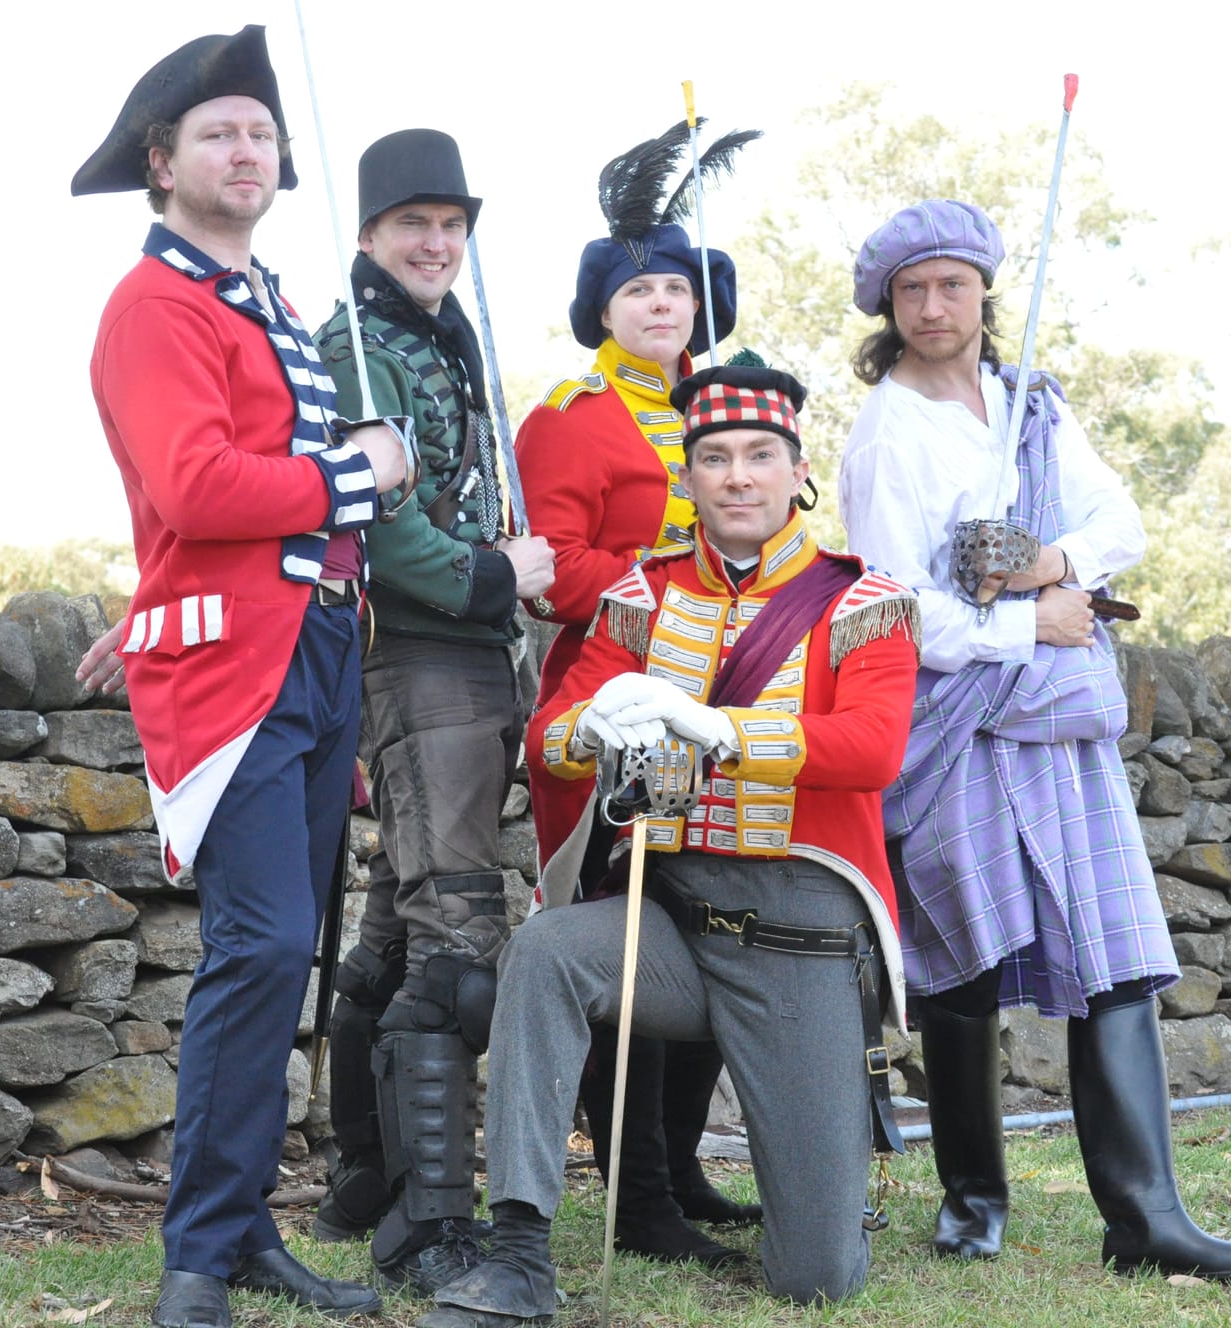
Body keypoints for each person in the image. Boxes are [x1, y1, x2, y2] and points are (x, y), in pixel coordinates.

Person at [419, 358, 920, 1328]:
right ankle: (519, 1246)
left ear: (795, 470)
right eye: (715, 457)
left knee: (815, 1274)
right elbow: (549, 737)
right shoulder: (638, 600)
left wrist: (720, 730)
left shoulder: (862, 602)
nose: (737, 475)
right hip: (674, 927)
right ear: (686, 478)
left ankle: (823, 1197)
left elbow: (871, 749)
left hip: (796, 944)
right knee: (544, 952)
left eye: (758, 455)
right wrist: (592, 727)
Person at [837, 198, 1231, 1280]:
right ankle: (970, 1197)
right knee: (963, 963)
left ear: (986, 291)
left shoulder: (1029, 403)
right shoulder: (883, 436)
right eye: (911, 291)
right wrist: (1023, 621)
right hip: (960, 725)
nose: (933, 306)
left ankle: (1144, 1217)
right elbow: (896, 607)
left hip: (1057, 726)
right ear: (887, 310)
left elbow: (1117, 521)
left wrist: (1050, 563)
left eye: (951, 284)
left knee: (1114, 957)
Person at [70, 26, 413, 1328]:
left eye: (261, 134)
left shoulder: (260, 299)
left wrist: (349, 472)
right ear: (161, 163)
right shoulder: (152, 305)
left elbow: (242, 496)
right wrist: (355, 470)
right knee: (261, 945)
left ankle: (243, 1233)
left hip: (322, 641)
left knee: (290, 956)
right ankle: (199, 1262)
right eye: (218, 133)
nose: (247, 151)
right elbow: (194, 486)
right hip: (238, 662)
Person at [305, 128, 557, 1294]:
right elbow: (381, 513)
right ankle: (431, 1221)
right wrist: (490, 578)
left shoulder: (438, 338)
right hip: (423, 651)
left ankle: (364, 1178)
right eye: (412, 224)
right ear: (367, 235)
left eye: (450, 224)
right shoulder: (357, 343)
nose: (435, 242)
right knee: (460, 942)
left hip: (468, 660)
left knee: (398, 933)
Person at [513, 124, 760, 1270]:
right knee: (627, 926)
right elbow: (550, 562)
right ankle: (636, 1195)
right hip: (615, 690)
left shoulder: (727, 412)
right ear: (601, 308)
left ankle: (680, 1163)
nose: (659, 305)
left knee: (709, 910)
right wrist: (652, 584)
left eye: (674, 286)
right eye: (636, 290)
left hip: (724, 697)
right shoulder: (570, 413)